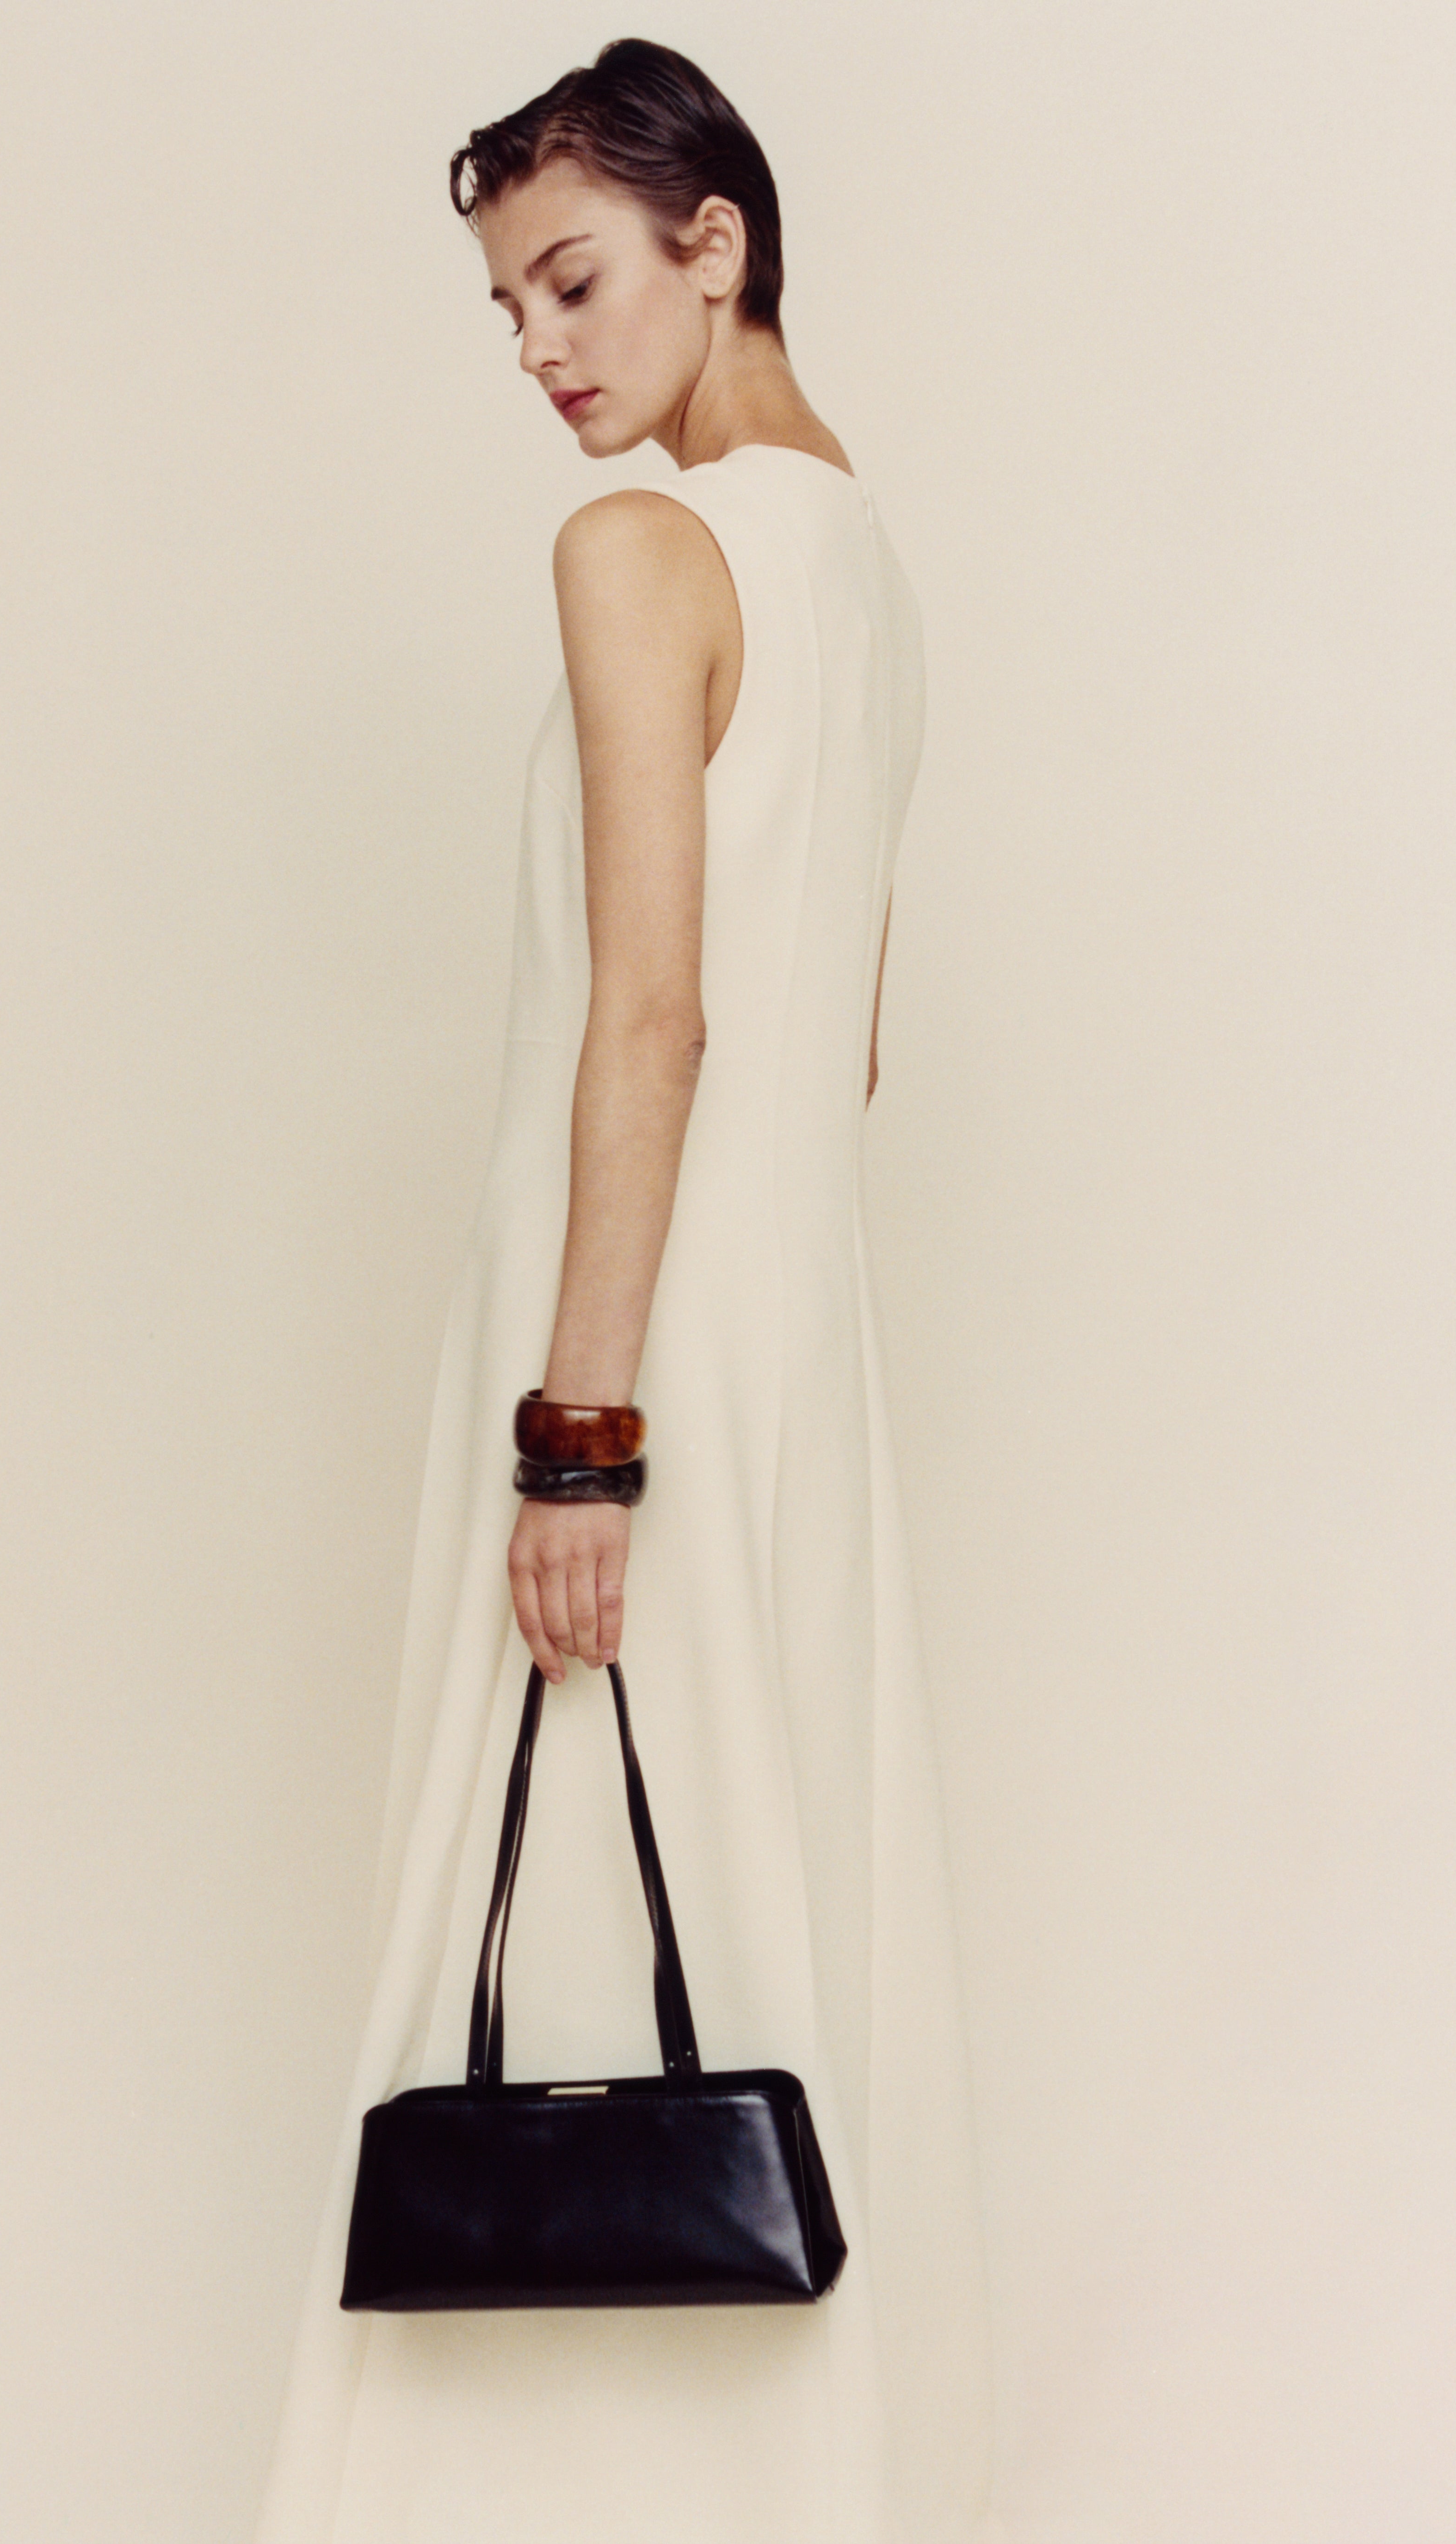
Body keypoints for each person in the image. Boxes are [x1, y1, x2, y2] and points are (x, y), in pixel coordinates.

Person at [253, 38, 993, 2543]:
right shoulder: (868, 576)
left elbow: (651, 1017)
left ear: (719, 245)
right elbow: (840, 1045)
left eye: (572, 282)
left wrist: (582, 1432)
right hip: (789, 1345)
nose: (541, 349)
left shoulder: (639, 552)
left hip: (631, 1343)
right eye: (507, 310)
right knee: (761, 1924)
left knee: (563, 1913)